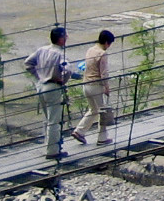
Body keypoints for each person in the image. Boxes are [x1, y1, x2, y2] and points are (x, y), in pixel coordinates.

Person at [24, 27, 70, 160]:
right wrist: (62, 81)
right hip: (53, 87)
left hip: (41, 86)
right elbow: (67, 70)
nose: (67, 38)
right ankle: (52, 150)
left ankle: (47, 145)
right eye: (66, 36)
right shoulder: (60, 54)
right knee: (54, 121)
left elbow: (28, 63)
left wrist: (38, 76)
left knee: (47, 118)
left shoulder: (42, 50)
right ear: (61, 39)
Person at [72, 29, 115, 146]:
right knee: (103, 112)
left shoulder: (90, 50)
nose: (109, 46)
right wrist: (106, 87)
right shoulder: (102, 53)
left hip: (86, 85)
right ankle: (102, 138)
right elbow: (104, 73)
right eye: (109, 44)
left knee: (93, 110)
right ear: (106, 42)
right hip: (96, 86)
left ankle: (79, 131)